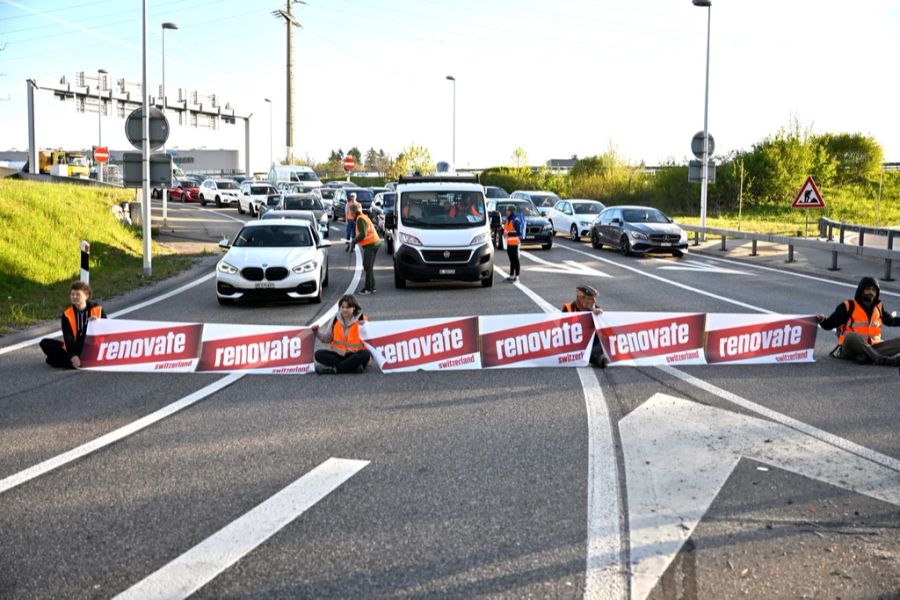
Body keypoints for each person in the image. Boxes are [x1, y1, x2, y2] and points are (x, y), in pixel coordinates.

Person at [817, 276, 900, 366]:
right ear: (861, 290)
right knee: (852, 336)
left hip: (873, 348)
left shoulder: (879, 307)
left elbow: (892, 321)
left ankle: (867, 357)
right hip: (849, 349)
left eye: (874, 290)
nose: (871, 292)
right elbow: (828, 324)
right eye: (868, 289)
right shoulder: (848, 306)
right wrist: (822, 320)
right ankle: (883, 360)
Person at [40, 281, 106, 369]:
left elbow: (107, 329)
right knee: (45, 343)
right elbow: (68, 337)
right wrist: (73, 355)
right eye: (72, 294)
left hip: (92, 346)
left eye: (78, 294)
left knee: (52, 360)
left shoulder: (98, 310)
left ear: (86, 296)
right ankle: (74, 361)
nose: (74, 297)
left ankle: (69, 362)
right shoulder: (67, 314)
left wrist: (98, 322)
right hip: (75, 346)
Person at [312, 294, 372, 374]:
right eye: (342, 307)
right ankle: (352, 367)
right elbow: (328, 338)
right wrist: (316, 333)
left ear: (354, 308)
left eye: (347, 307)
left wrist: (365, 326)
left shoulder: (362, 319)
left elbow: (371, 341)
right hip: (340, 355)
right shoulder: (335, 319)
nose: (344, 310)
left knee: (365, 354)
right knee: (318, 354)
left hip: (355, 354)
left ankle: (335, 370)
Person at [562, 284, 609, 368]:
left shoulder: (596, 310)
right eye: (590, 298)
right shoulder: (568, 309)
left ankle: (600, 357)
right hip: (575, 344)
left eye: (594, 298)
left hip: (591, 343)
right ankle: (597, 358)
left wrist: (596, 315)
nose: (594, 301)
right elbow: (564, 333)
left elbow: (602, 332)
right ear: (581, 298)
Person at [350, 203, 382, 294]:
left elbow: (363, 234)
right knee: (369, 267)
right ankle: (372, 287)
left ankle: (368, 288)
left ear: (353, 212)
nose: (350, 214)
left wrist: (354, 241)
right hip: (374, 243)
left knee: (367, 266)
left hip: (371, 244)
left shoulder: (360, 219)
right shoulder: (363, 216)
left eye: (351, 212)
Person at [503, 205, 525, 282]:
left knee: (515, 260)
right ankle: (511, 275)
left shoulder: (516, 220)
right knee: (511, 260)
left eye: (508, 210)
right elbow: (506, 229)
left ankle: (517, 276)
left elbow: (518, 233)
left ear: (511, 211)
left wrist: (508, 233)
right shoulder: (508, 219)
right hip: (508, 243)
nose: (506, 212)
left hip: (515, 243)